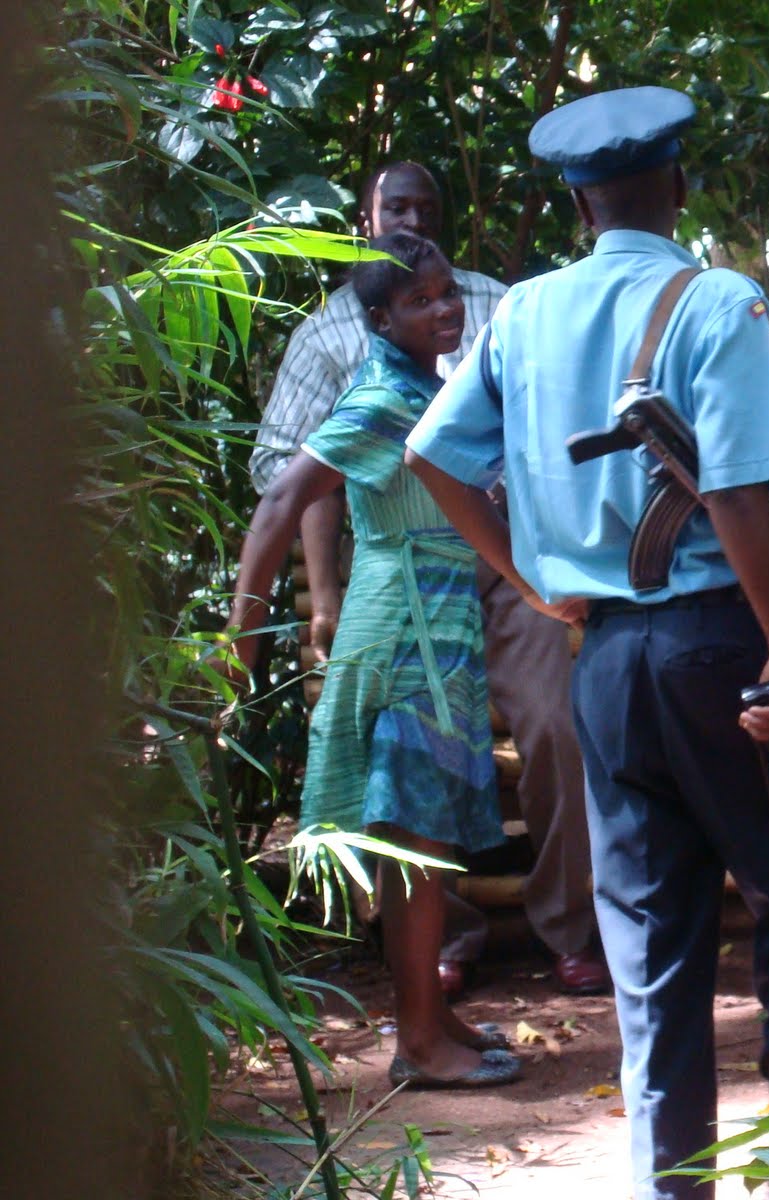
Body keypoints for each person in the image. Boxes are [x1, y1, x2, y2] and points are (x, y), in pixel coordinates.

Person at [405, 87, 769, 1200]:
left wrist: (533, 579)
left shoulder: (522, 312)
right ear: (677, 184)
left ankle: (674, 1180)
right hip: (718, 646)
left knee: (651, 932)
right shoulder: (713, 302)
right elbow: (734, 486)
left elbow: (432, 454)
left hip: (609, 664)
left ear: (577, 200)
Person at [250, 160, 608, 998]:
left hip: (506, 561)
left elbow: (552, 415)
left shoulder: (497, 304)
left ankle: (569, 927)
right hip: (407, 572)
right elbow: (287, 473)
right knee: (417, 754)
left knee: (558, 726)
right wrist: (322, 597)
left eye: (425, 207)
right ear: (365, 219)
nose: (410, 219)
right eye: (394, 207)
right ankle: (443, 940)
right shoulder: (333, 336)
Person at [220, 232, 531, 1088]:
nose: (445, 308)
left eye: (445, 293)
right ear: (379, 318)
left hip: (437, 626)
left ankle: (432, 1022)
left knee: (420, 844)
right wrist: (241, 643)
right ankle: (419, 1047)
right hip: (405, 639)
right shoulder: (382, 396)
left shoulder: (421, 387)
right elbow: (284, 496)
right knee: (413, 848)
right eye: (421, 300)